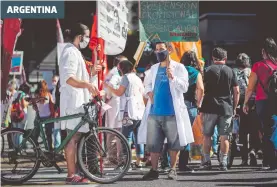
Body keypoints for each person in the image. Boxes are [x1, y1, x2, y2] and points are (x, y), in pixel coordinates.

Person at [138, 42, 194, 180]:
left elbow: (185, 87)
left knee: (173, 143)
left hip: (172, 113)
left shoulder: (179, 68)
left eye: (161, 49)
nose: (158, 52)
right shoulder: (153, 68)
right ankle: (154, 170)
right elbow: (147, 85)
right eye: (156, 50)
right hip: (154, 112)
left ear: (169, 50)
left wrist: (173, 78)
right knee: (153, 143)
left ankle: (172, 169)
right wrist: (148, 92)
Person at [59, 23, 99, 184]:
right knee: (71, 139)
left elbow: (77, 76)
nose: (88, 40)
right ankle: (71, 175)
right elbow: (69, 78)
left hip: (78, 101)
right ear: (80, 37)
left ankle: (75, 172)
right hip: (72, 102)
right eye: (87, 36)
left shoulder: (75, 52)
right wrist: (88, 85)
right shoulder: (70, 52)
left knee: (75, 138)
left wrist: (91, 76)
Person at [200, 47, 240, 171]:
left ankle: (206, 161)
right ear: (225, 58)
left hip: (209, 107)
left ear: (212, 58)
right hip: (226, 108)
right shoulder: (231, 71)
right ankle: (223, 162)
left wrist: (200, 107)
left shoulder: (207, 70)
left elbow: (201, 88)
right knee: (224, 137)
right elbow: (236, 91)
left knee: (207, 136)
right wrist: (234, 108)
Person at [104, 59, 145, 169]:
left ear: (121, 69)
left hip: (129, 112)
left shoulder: (126, 78)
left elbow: (119, 92)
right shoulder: (137, 78)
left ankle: (126, 162)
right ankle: (139, 162)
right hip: (140, 110)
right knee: (138, 137)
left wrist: (109, 86)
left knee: (125, 137)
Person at [243, 37, 277, 170]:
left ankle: (270, 162)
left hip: (263, 101)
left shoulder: (258, 65)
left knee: (267, 130)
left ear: (263, 51)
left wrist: (246, 103)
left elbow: (250, 88)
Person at [178, 51, 204, 172]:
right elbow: (201, 88)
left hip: (176, 104)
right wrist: (198, 103)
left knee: (173, 134)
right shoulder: (195, 72)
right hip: (190, 105)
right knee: (186, 134)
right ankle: (183, 165)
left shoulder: (177, 70)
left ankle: (166, 162)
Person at [233, 53, 260, 166]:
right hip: (252, 103)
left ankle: (244, 159)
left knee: (242, 132)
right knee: (254, 130)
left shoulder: (233, 72)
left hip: (239, 104)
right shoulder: (252, 72)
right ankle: (253, 150)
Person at [35, 80, 55, 151]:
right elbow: (52, 103)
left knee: (36, 134)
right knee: (48, 134)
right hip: (48, 116)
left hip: (39, 116)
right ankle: (50, 149)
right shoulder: (48, 94)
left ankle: (36, 148)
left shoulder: (36, 95)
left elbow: (35, 107)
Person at [51, 75, 61, 149]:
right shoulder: (54, 90)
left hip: (58, 112)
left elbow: (56, 102)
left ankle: (57, 148)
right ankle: (58, 148)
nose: (53, 82)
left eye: (55, 81)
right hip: (57, 111)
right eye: (53, 80)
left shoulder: (57, 90)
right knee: (57, 130)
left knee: (57, 130)